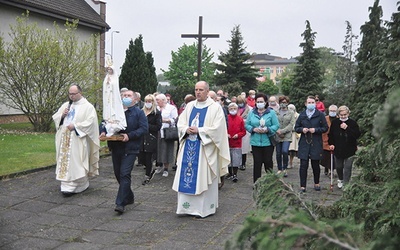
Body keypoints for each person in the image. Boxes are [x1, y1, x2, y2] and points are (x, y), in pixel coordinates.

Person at [172, 81, 230, 218]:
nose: (198, 92)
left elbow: (218, 129)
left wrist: (200, 131)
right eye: (196, 89)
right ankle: (185, 208)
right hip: (188, 147)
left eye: (201, 90)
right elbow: (181, 123)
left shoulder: (215, 108)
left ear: (207, 90)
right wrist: (186, 129)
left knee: (203, 177)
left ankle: (203, 209)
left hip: (205, 150)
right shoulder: (190, 106)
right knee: (187, 177)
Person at [100, 90, 148, 213]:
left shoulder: (139, 113)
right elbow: (104, 122)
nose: (126, 97)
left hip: (130, 148)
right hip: (116, 147)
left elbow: (143, 128)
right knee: (118, 174)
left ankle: (120, 203)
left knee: (124, 173)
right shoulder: (115, 112)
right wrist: (103, 131)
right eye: (124, 95)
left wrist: (130, 135)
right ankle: (129, 196)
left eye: (128, 96)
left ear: (135, 99)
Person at [52, 84, 100, 197]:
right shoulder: (66, 105)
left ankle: (79, 182)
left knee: (76, 161)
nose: (71, 96)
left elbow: (91, 122)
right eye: (70, 94)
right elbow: (56, 117)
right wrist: (62, 116)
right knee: (64, 161)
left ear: (80, 93)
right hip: (64, 138)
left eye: (74, 94)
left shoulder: (88, 107)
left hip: (78, 139)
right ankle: (66, 183)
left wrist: (76, 126)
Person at [295, 96, 328, 192]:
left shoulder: (320, 114)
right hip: (304, 142)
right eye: (309, 102)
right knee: (303, 165)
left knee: (315, 164)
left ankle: (316, 183)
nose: (311, 104)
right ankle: (303, 185)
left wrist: (316, 130)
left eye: (312, 102)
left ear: (315, 103)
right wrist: (302, 129)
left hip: (316, 142)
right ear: (305, 104)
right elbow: (296, 127)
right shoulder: (302, 115)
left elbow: (325, 127)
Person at [245, 93, 279, 183]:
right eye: (258, 101)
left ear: (265, 102)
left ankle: (270, 182)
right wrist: (253, 129)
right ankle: (256, 182)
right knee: (257, 163)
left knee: (268, 162)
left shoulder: (271, 112)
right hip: (255, 142)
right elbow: (247, 124)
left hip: (267, 141)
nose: (259, 103)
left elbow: (276, 125)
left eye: (261, 101)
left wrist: (268, 129)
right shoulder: (252, 112)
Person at [328, 106, 361, 189]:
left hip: (350, 149)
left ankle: (346, 184)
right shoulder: (335, 123)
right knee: (338, 166)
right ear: (338, 114)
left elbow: (357, 135)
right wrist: (331, 144)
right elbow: (331, 135)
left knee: (347, 167)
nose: (343, 116)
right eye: (341, 115)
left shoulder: (353, 123)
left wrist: (347, 128)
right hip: (338, 149)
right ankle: (340, 179)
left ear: (348, 114)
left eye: (345, 115)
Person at [140, 94, 162, 185]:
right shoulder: (141, 112)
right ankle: (149, 168)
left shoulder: (156, 113)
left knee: (148, 157)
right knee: (141, 157)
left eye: (150, 101)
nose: (148, 103)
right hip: (142, 137)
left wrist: (146, 126)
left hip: (151, 137)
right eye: (146, 101)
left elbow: (158, 126)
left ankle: (147, 175)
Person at [155, 93, 178, 177]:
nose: (156, 102)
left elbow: (175, 119)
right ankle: (159, 165)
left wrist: (165, 120)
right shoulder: (156, 108)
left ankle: (166, 168)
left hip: (167, 132)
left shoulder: (171, 108)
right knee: (158, 149)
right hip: (157, 131)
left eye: (157, 100)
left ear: (163, 100)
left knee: (166, 150)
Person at [102, 63, 126, 137]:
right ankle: (109, 122)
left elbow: (115, 86)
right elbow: (105, 86)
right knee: (108, 108)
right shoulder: (106, 77)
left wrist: (110, 83)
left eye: (110, 69)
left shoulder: (115, 78)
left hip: (113, 97)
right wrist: (107, 83)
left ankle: (115, 122)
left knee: (114, 108)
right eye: (108, 69)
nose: (109, 71)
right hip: (108, 96)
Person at [275, 96, 296, 177]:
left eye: (285, 102)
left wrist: (283, 131)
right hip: (277, 134)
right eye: (281, 102)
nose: (283, 104)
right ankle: (279, 169)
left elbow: (291, 124)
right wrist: (278, 131)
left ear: (287, 103)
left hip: (287, 135)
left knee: (285, 151)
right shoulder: (275, 112)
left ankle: (285, 168)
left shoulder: (291, 112)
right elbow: (273, 122)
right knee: (278, 153)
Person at [226, 102, 246, 182]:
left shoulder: (240, 119)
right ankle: (230, 173)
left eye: (234, 108)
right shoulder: (226, 118)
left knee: (236, 159)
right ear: (228, 109)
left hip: (237, 142)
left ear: (237, 110)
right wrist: (226, 134)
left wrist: (238, 135)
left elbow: (243, 131)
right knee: (228, 158)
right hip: (227, 142)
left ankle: (235, 174)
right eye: (231, 109)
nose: (233, 110)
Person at [321, 105, 338, 175]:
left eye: (334, 111)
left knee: (333, 156)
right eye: (331, 111)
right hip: (325, 139)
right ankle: (327, 168)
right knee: (326, 156)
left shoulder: (338, 119)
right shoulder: (325, 119)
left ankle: (332, 170)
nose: (332, 112)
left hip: (335, 140)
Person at [236, 95, 251, 170]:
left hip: (245, 130)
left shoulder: (249, 109)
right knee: (237, 148)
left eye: (241, 102)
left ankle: (243, 163)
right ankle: (237, 162)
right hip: (237, 130)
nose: (240, 104)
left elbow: (249, 120)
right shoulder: (235, 109)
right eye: (239, 102)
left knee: (244, 148)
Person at [288, 104, 300, 168]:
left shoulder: (297, 115)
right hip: (287, 134)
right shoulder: (286, 115)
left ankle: (291, 162)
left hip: (294, 134)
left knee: (292, 150)